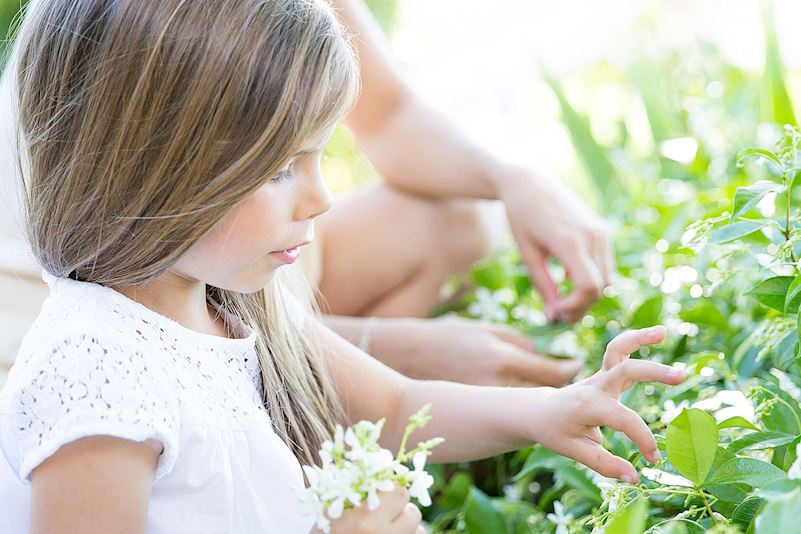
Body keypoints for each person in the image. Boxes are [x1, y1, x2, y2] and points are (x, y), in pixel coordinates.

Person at [0, 1, 683, 532]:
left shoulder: (224, 302)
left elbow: (391, 406)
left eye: (319, 153)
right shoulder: (95, 382)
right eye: (278, 169)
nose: (323, 197)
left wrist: (547, 412)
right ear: (148, 168)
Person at [0, 0, 611, 389]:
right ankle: (322, 413)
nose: (322, 197)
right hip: (79, 310)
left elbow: (391, 114)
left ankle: (334, 400)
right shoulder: (140, 33)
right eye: (283, 165)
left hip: (213, 259)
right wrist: (387, 352)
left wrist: (517, 180)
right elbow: (154, 311)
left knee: (458, 220)